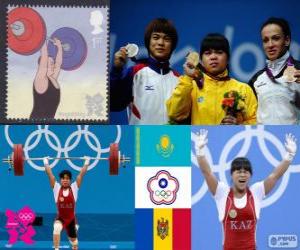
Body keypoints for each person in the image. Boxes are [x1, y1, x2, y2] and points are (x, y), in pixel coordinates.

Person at [195, 129, 297, 250]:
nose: (242, 175)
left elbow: (275, 176)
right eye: (238, 172)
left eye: (246, 172)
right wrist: (200, 152)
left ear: (250, 175)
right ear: (232, 175)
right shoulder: (222, 193)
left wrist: (289, 156)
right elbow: (207, 173)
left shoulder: (256, 192)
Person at [167, 33, 257, 125]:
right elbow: (175, 114)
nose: (213, 57)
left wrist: (239, 126)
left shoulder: (243, 89)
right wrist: (187, 77)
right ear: (201, 60)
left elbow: (255, 122)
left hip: (232, 139)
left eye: (219, 52)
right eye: (208, 53)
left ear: (228, 58)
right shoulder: (191, 87)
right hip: (201, 139)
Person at [110, 18, 179, 124]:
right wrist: (116, 70)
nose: (160, 42)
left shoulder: (179, 80)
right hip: (140, 139)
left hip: (171, 140)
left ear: (172, 46)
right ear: (148, 42)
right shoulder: (134, 73)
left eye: (166, 39)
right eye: (156, 37)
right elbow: (114, 104)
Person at [248, 17, 300, 124]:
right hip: (264, 139)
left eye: (275, 38)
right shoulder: (256, 79)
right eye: (265, 40)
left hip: (292, 139)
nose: (270, 45)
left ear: (287, 40)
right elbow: (249, 117)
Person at [44, 156, 90, 250]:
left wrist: (87, 161)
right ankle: (56, 249)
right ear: (60, 180)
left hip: (71, 220)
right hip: (60, 218)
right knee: (56, 228)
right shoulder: (56, 188)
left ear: (70, 180)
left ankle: (74, 243)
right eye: (63, 179)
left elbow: (81, 174)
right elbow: (50, 174)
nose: (65, 180)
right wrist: (45, 162)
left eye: (67, 179)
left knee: (74, 243)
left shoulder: (74, 188)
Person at [30, 38, 62, 119]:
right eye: (51, 64)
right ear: (43, 66)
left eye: (53, 63)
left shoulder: (52, 78)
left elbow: (58, 63)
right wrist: (42, 37)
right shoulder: (40, 80)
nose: (54, 65)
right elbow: (44, 55)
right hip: (35, 122)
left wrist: (59, 46)